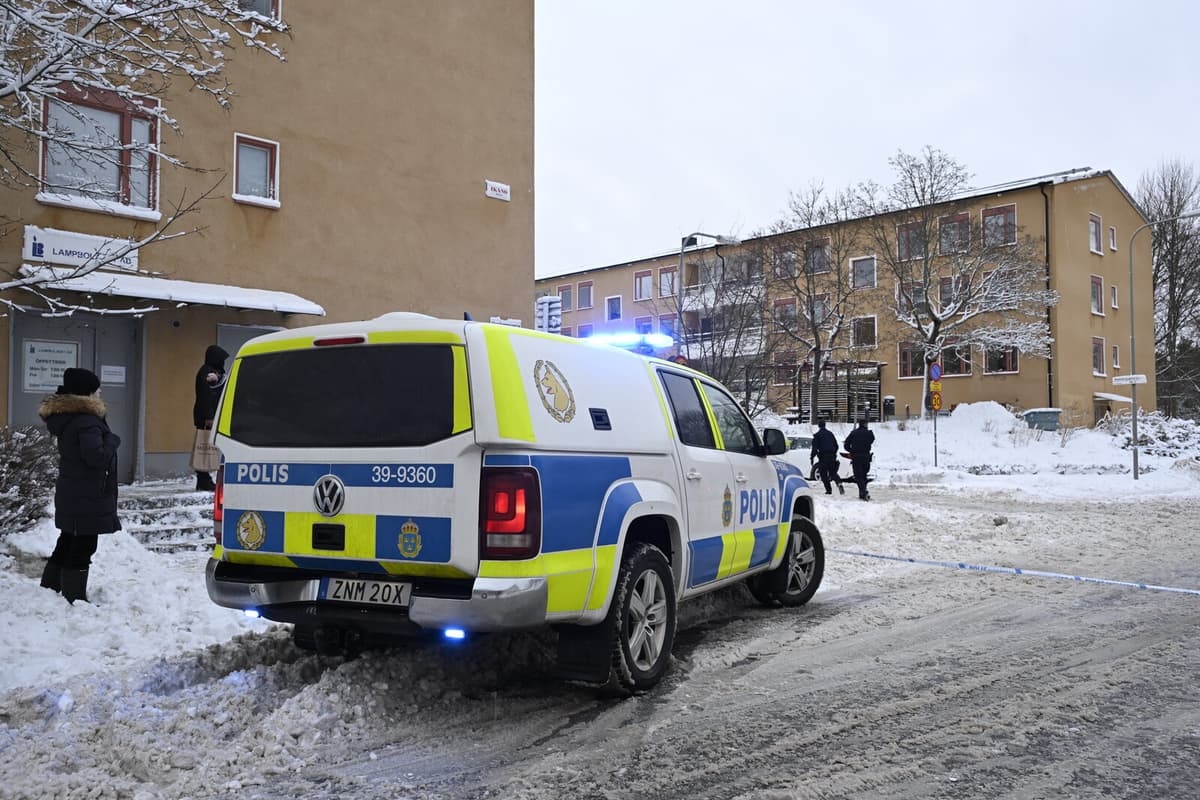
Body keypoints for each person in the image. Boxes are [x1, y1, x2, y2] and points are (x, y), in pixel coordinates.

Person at [37, 368, 121, 604]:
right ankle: (74, 596)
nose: (100, 392)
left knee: (68, 539)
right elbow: (96, 457)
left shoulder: (70, 418)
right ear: (86, 394)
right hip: (88, 494)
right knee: (84, 544)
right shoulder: (86, 421)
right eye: (96, 389)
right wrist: (113, 440)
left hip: (75, 491)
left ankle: (50, 586)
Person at [193, 344, 229, 491]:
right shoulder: (207, 372)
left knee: (206, 447)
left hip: (208, 415)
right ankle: (203, 479)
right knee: (204, 447)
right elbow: (206, 396)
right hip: (206, 416)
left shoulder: (214, 371)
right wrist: (209, 417)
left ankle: (204, 478)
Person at [809, 418, 844, 495]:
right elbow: (836, 445)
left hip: (823, 457)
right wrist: (834, 454)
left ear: (819, 426)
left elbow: (814, 448)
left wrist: (812, 457)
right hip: (831, 456)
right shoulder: (830, 434)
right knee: (833, 472)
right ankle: (839, 483)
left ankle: (828, 490)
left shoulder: (817, 435)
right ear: (825, 425)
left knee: (823, 474)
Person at [844, 418, 876, 501]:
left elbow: (846, 444)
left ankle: (863, 492)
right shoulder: (869, 434)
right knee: (864, 476)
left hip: (856, 457)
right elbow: (872, 439)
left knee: (858, 476)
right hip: (866, 457)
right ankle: (862, 493)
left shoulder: (854, 433)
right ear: (865, 425)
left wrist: (851, 450)